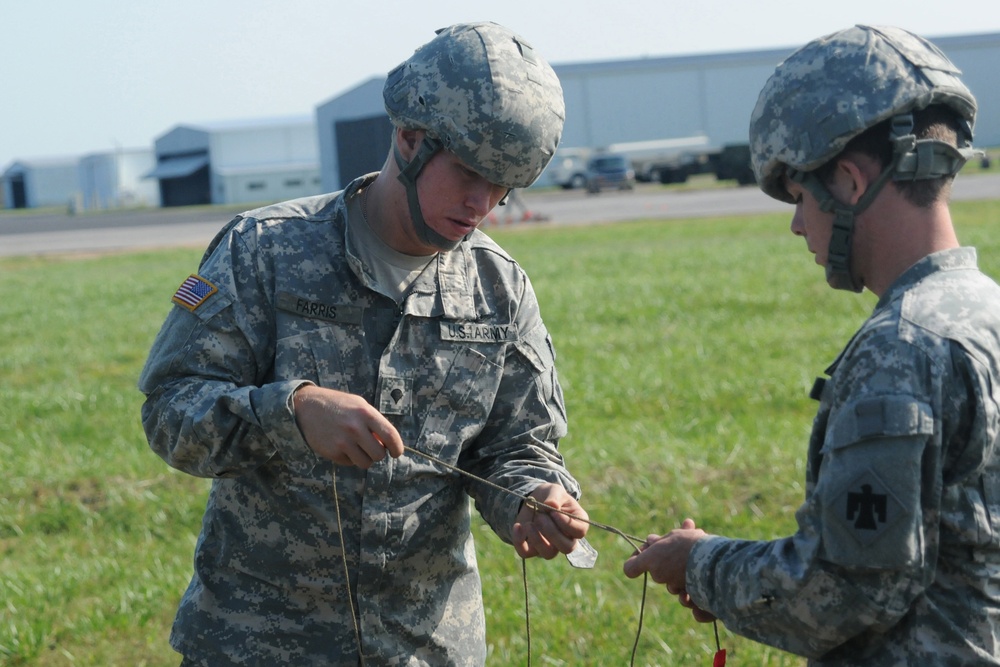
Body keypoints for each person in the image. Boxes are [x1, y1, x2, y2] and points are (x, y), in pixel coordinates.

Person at [138, 21, 589, 666]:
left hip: (424, 648)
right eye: (468, 172)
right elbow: (170, 412)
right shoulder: (265, 250)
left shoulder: (500, 289)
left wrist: (534, 496)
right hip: (258, 645)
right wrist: (291, 411)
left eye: (503, 187)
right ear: (408, 138)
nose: (482, 203)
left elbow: (517, 445)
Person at [623, 24, 1000, 665]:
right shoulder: (985, 311)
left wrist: (701, 563)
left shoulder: (903, 349)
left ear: (850, 182)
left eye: (800, 196)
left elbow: (843, 589)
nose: (798, 224)